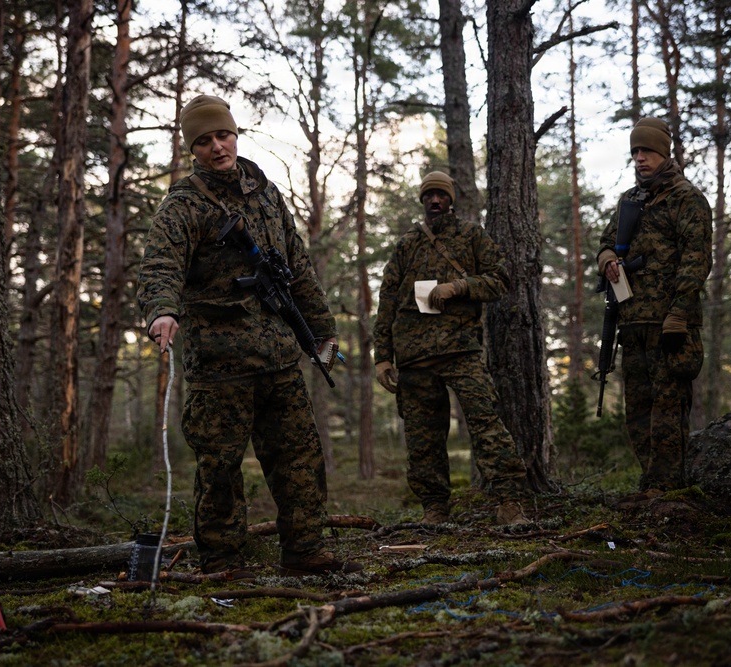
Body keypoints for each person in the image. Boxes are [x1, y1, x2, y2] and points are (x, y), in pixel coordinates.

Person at [137, 94, 363, 576]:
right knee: (219, 468)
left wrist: (321, 332)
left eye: (223, 135)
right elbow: (161, 264)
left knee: (299, 457)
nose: (217, 147)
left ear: (235, 135)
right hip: (219, 364)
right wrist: (162, 311)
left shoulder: (266, 192)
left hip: (279, 356)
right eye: (204, 141)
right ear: (192, 148)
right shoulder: (184, 204)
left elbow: (297, 268)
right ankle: (222, 561)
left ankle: (304, 551)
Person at [373, 170, 530, 525]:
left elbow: (500, 279)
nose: (435, 201)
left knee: (486, 424)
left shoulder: (472, 235)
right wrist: (382, 357)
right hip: (414, 356)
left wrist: (459, 287)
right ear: (422, 201)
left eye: (441, 195)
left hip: (461, 349)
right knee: (422, 440)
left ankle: (509, 502)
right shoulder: (407, 244)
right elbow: (386, 301)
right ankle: (435, 508)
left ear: (451, 199)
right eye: (429, 195)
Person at [597, 117, 712, 495]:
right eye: (635, 152)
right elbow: (606, 241)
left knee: (668, 408)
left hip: (670, 323)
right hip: (632, 321)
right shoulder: (630, 201)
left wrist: (678, 312)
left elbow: (697, 260)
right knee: (638, 410)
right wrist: (607, 259)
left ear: (664, 153)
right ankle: (652, 483)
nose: (640, 158)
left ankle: (667, 489)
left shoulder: (687, 198)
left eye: (647, 151)